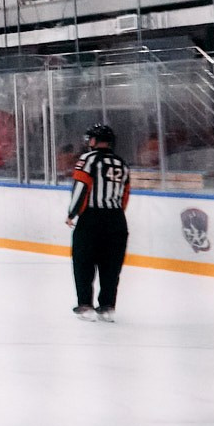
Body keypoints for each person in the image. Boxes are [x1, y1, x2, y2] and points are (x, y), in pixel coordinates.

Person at [67, 123, 132, 322]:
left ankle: (85, 305)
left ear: (94, 140)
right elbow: (125, 196)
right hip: (117, 219)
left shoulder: (87, 159)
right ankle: (107, 307)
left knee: (83, 262)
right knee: (111, 266)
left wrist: (72, 213)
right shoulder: (122, 163)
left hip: (91, 218)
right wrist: (115, 215)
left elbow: (81, 187)